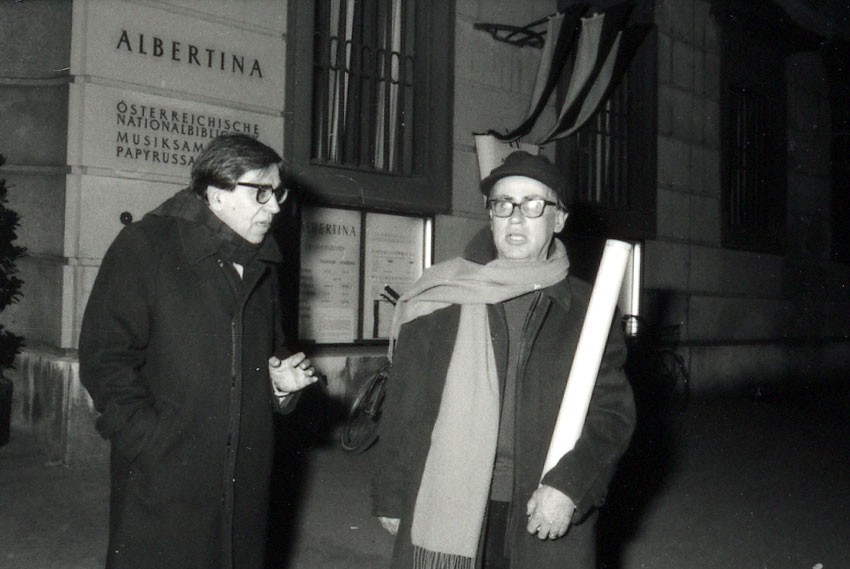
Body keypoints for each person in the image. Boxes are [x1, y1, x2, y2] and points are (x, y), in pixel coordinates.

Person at [371, 150, 636, 569]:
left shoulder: (589, 310)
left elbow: (611, 415)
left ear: (559, 219)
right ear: (490, 215)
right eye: (504, 204)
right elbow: (405, 404)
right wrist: (390, 494)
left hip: (541, 500)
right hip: (445, 496)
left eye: (533, 205)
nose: (516, 218)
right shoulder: (442, 294)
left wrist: (569, 486)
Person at [79, 133, 318, 569]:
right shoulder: (146, 245)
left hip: (244, 471)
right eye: (261, 192)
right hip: (165, 467)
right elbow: (104, 356)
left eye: (278, 193)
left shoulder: (263, 261)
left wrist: (281, 386)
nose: (275, 207)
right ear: (216, 194)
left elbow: (272, 354)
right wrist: (145, 438)